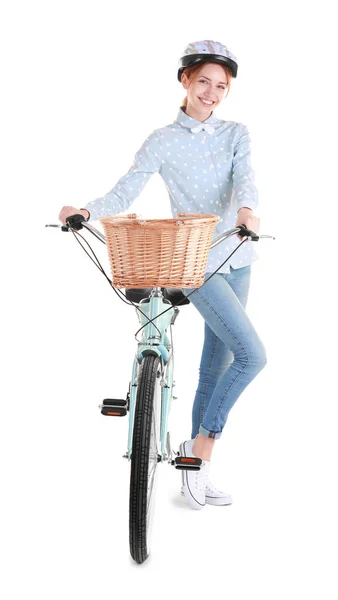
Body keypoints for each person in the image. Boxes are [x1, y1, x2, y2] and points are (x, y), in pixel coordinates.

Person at [59, 40, 267, 511]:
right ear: (185, 81)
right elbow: (126, 188)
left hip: (237, 256)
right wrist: (86, 210)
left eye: (221, 86)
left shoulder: (236, 132)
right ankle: (200, 451)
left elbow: (246, 177)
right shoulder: (161, 140)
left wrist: (249, 210)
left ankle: (197, 471)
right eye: (204, 83)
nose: (212, 93)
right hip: (193, 261)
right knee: (252, 356)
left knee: (215, 369)